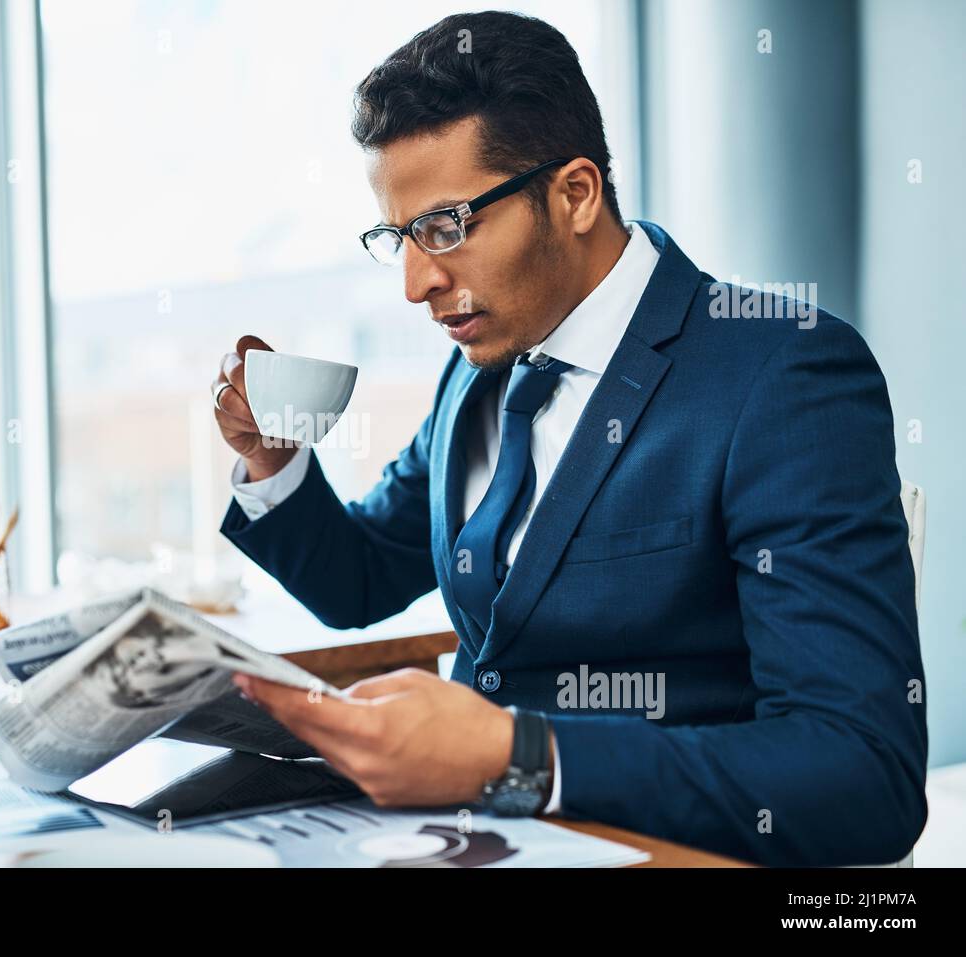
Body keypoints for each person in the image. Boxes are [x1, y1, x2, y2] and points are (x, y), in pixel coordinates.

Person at [209, 11, 926, 866]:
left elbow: (862, 775)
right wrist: (272, 459)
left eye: (445, 228)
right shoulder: (482, 365)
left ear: (576, 194)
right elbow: (364, 576)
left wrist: (520, 756)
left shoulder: (784, 374)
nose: (415, 283)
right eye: (398, 237)